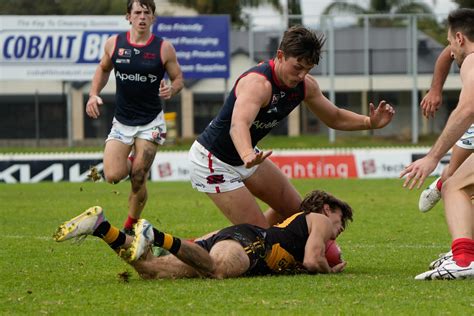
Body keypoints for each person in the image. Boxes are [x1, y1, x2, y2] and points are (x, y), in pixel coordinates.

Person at [188, 25, 394, 229]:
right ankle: (191, 249)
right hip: (213, 160)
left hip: (248, 156)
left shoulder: (305, 86)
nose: (302, 75)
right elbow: (238, 125)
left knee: (299, 216)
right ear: (280, 55)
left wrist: (369, 122)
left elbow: (335, 117)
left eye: (308, 69)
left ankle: (268, 244)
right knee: (258, 240)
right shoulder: (258, 84)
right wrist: (247, 153)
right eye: (298, 67)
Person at [53, 190, 353, 279]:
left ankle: (101, 227)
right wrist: (332, 271)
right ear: (328, 209)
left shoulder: (301, 228)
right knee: (218, 270)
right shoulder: (320, 220)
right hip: (251, 246)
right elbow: (315, 261)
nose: (337, 233)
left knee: (152, 270)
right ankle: (154, 234)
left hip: (238, 239)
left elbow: (304, 258)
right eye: (341, 223)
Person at [85, 0, 183, 233]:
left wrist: (172, 88)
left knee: (139, 176)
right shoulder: (115, 44)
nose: (141, 17)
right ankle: (129, 161)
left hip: (151, 123)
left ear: (153, 18)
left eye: (146, 13)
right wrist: (92, 95)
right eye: (137, 12)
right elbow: (103, 69)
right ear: (128, 16)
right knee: (112, 176)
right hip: (122, 121)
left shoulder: (163, 48)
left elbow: (178, 78)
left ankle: (130, 225)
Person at [400, 8, 474, 280]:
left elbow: (467, 110)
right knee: (463, 183)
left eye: (450, 41)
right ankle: (464, 253)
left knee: (455, 185)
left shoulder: (471, 60)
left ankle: (464, 259)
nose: (450, 48)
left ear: (459, 38)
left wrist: (432, 157)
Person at [418, 46, 474, 212]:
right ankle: (442, 183)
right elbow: (448, 53)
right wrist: (435, 90)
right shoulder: (468, 46)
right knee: (454, 173)